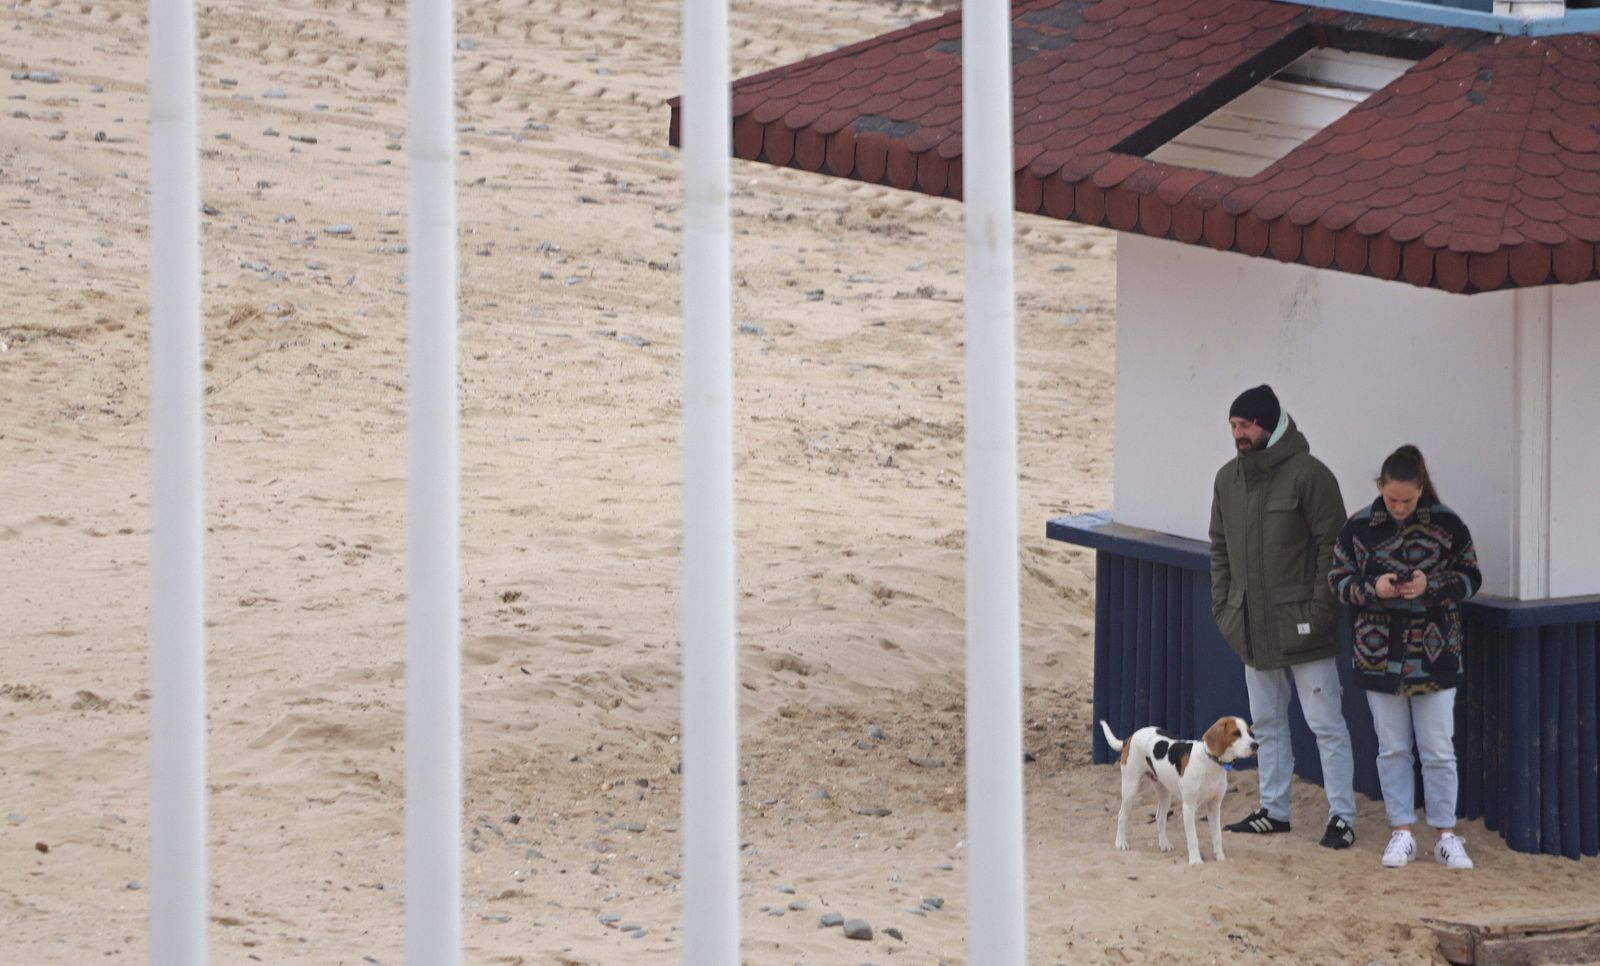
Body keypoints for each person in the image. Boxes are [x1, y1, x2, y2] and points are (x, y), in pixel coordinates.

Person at [1209, 384, 1357, 849]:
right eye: (1233, 425)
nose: (1239, 433)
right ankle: (1273, 811)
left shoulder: (1311, 476)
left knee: (1325, 725)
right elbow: (1219, 550)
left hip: (1305, 628)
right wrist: (1226, 609)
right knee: (1264, 726)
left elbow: (1333, 549)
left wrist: (1318, 612)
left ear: (1269, 425)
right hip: (1251, 628)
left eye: (1246, 425)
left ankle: (1343, 817)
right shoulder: (1226, 480)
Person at [1329, 445, 1480, 870]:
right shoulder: (1357, 527)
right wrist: (1370, 589)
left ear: (1420, 491)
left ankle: (1446, 834)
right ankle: (1402, 831)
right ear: (1380, 487)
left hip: (1436, 656)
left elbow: (1471, 578)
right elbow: (1337, 579)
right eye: (1393, 499)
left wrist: (1429, 584)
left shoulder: (1448, 524)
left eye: (1407, 501)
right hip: (1379, 655)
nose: (1399, 507)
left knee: (1438, 748)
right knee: (1392, 748)